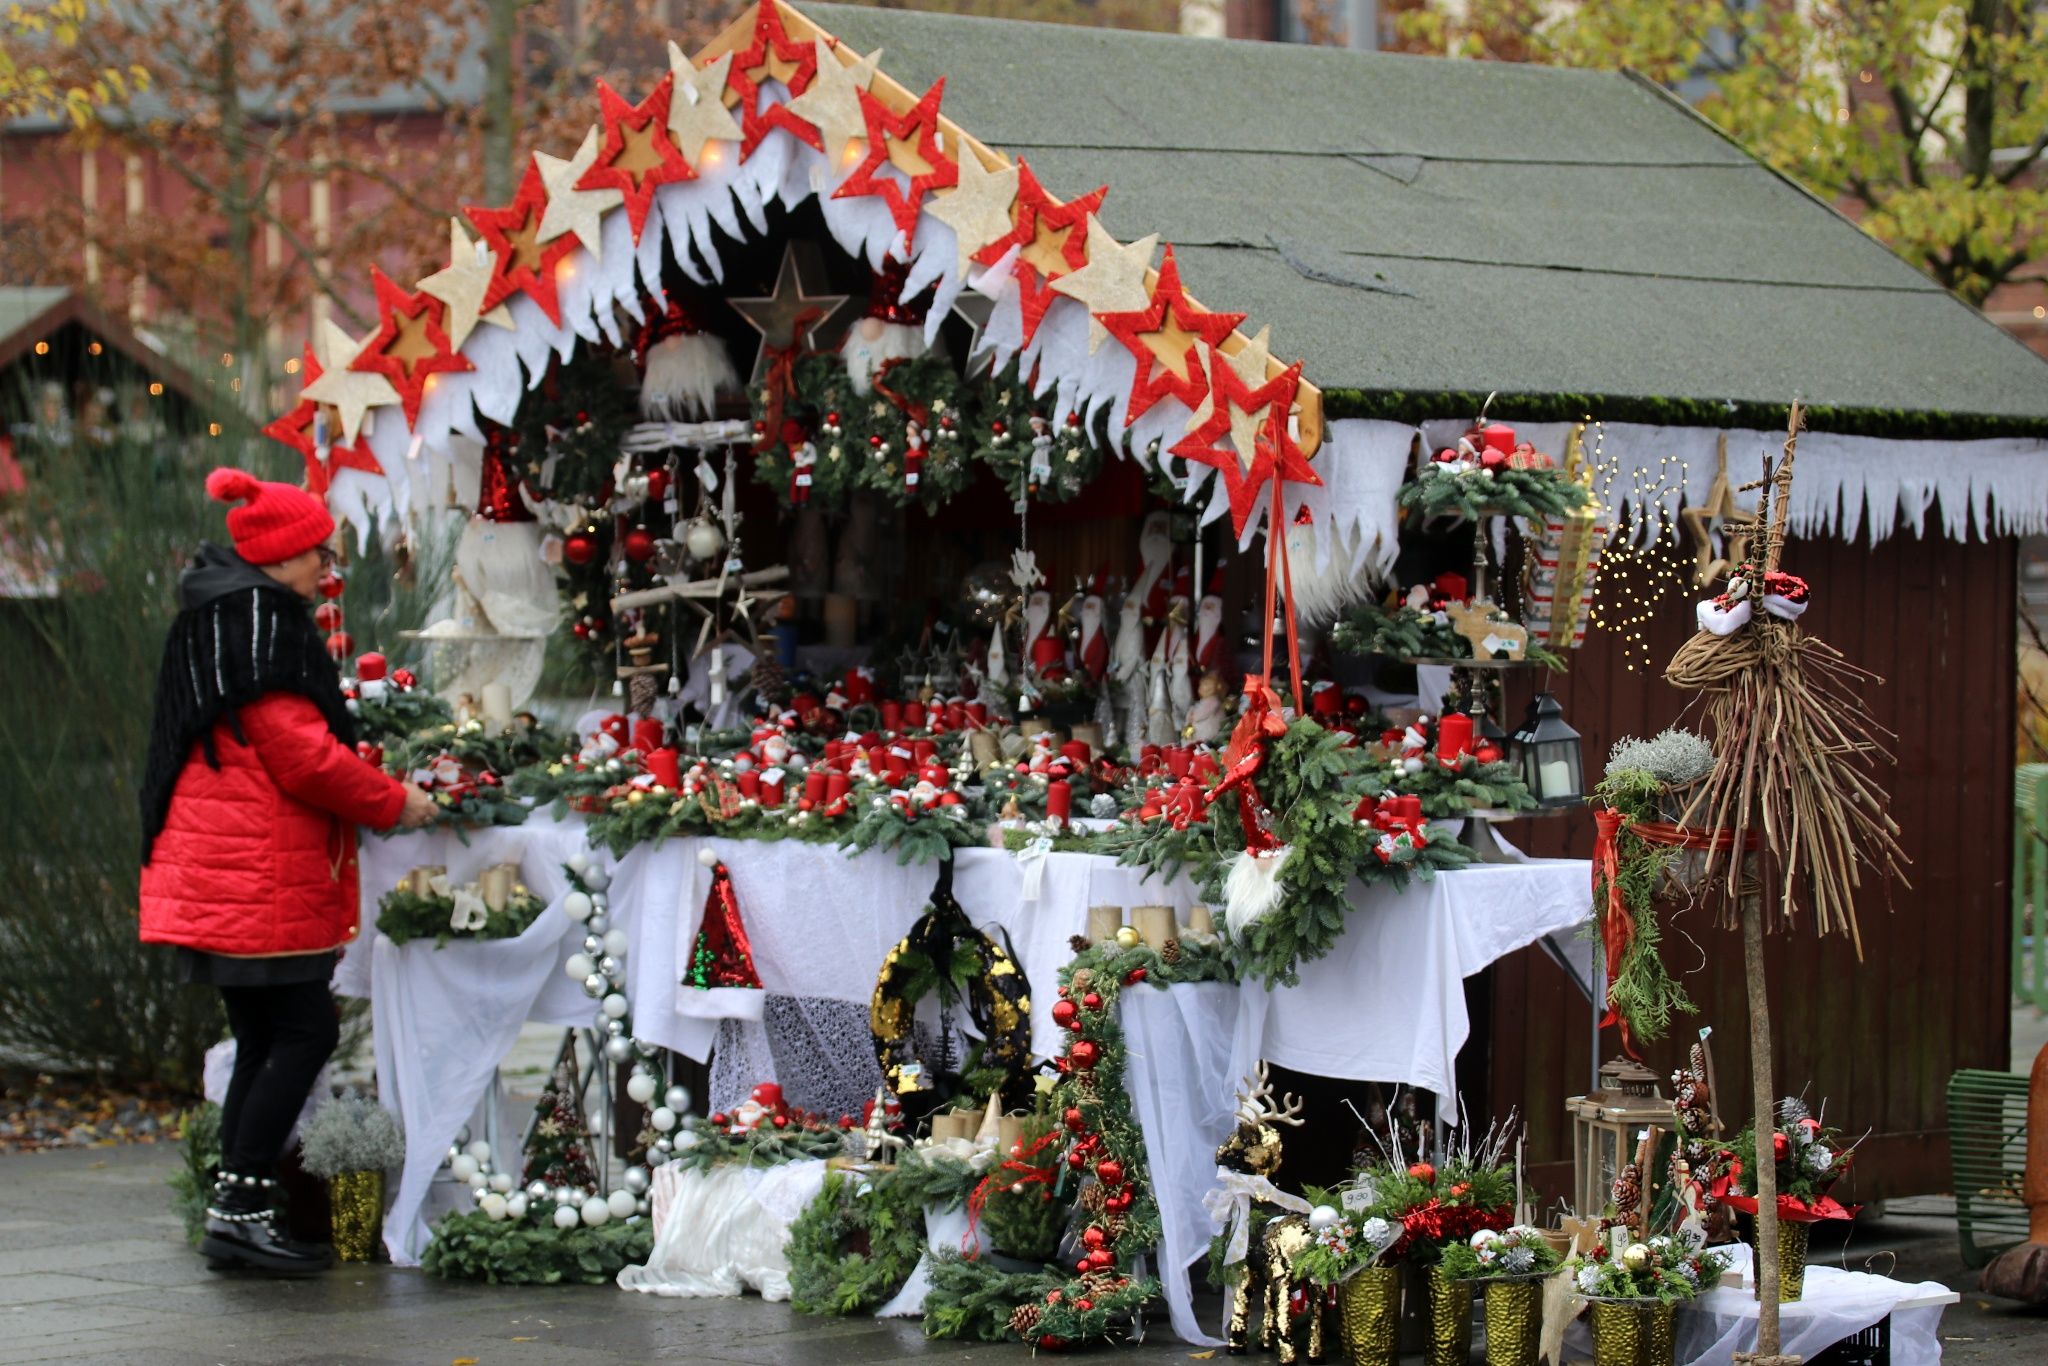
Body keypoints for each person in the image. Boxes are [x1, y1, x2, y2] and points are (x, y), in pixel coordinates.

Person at [139, 467, 435, 1274]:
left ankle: (238, 1209)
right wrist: (393, 801)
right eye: (317, 553)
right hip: (253, 872)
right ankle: (239, 1208)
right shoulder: (259, 628)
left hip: (225, 867)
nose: (326, 568)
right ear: (279, 554)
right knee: (304, 1032)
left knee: (267, 1035)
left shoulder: (218, 615)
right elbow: (302, 757)